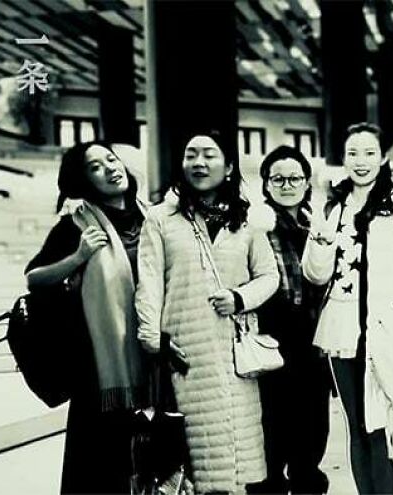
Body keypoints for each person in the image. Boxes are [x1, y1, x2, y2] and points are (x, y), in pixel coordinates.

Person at [135, 130, 279, 494]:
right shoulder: (161, 218)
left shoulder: (247, 220)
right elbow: (149, 281)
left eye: (209, 155)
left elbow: (268, 276)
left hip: (236, 353)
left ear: (229, 166)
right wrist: (154, 340)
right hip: (186, 350)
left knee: (243, 456)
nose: (199, 162)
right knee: (194, 461)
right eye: (191, 154)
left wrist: (240, 298)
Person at [301, 123, 393, 495]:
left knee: (381, 425)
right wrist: (322, 223)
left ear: (383, 158)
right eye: (353, 153)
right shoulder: (332, 205)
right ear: (343, 159)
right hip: (341, 323)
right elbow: (315, 273)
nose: (361, 161)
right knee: (356, 424)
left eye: (369, 152)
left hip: (383, 326)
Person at [25, 142, 148, 494]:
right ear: (83, 179)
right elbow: (35, 278)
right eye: (96, 166)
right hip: (100, 371)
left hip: (155, 360)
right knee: (100, 470)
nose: (110, 168)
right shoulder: (75, 225)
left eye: (111, 159)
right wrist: (79, 256)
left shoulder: (153, 217)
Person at [254, 145, 330, 494]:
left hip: (313, 340)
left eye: (294, 178)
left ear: (306, 182)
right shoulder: (255, 225)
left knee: (312, 433)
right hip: (271, 338)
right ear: (266, 184)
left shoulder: (319, 223)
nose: (287, 185)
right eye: (278, 179)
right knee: (271, 433)